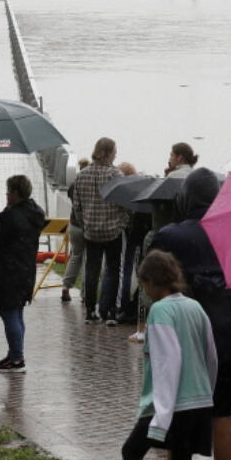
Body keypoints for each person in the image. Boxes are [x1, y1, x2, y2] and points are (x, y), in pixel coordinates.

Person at [149, 168, 231, 460]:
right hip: (230, 337)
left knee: (179, 416)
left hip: (185, 339)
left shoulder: (170, 236)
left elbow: (151, 283)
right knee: (222, 418)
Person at [106, 250, 217, 460]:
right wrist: (207, 393)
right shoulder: (195, 307)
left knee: (131, 452)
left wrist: (160, 416)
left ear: (152, 282)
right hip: (199, 401)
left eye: (143, 285)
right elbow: (211, 355)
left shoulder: (160, 311)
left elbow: (168, 363)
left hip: (171, 404)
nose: (144, 292)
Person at [0, 174, 47, 373]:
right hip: (25, 270)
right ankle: (15, 353)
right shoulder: (35, 212)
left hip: (8, 271)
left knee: (9, 314)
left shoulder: (10, 216)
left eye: (8, 191)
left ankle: (16, 358)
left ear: (16, 193)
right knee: (17, 313)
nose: (6, 194)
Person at [70, 138, 128, 323]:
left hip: (90, 231)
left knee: (92, 270)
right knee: (112, 269)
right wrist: (121, 223)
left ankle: (90, 311)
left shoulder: (81, 175)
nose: (116, 154)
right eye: (114, 151)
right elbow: (124, 205)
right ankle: (109, 310)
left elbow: (77, 206)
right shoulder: (116, 175)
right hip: (112, 231)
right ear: (109, 153)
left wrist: (85, 224)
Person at [60, 157, 90, 303]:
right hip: (89, 225)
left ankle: (66, 286)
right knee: (88, 259)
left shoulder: (73, 184)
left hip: (74, 225)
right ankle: (85, 293)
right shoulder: (91, 183)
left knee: (75, 256)